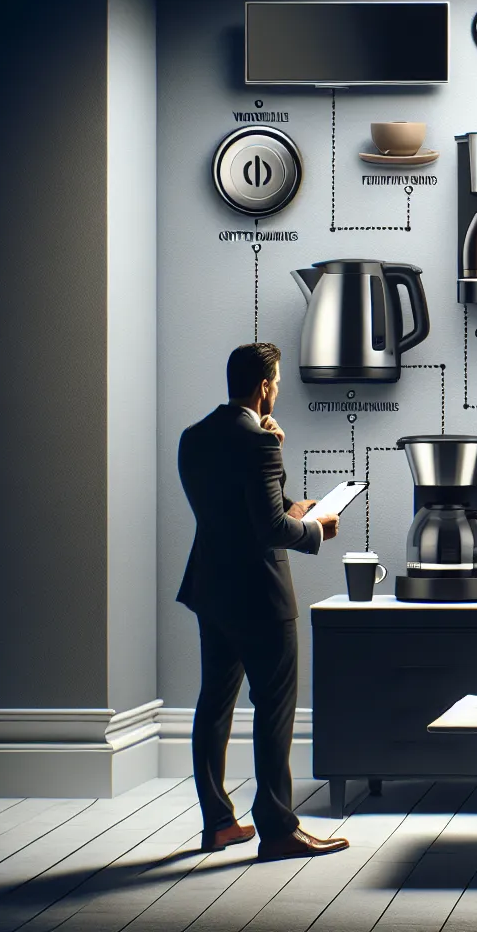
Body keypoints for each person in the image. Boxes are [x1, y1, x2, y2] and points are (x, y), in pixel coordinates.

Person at [177, 343, 350, 860]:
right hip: (261, 596)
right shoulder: (259, 443)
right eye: (275, 383)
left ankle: (219, 823)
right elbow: (272, 528)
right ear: (265, 385)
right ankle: (277, 829)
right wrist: (315, 527)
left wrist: (287, 497)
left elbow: (242, 512)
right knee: (273, 710)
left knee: (213, 706)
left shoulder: (194, 437)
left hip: (213, 589)